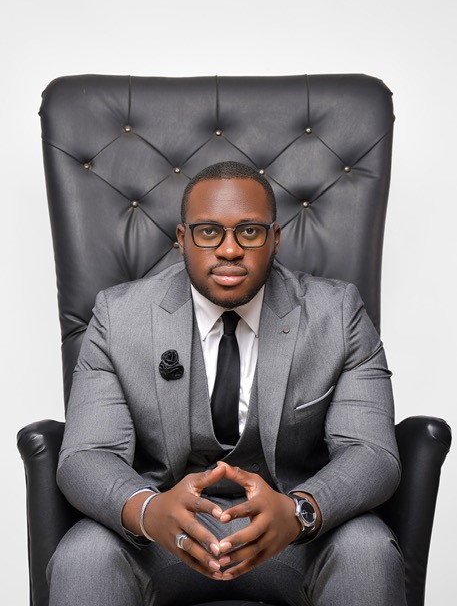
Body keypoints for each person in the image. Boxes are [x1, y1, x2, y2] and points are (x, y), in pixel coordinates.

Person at [48, 161, 406, 605]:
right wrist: (149, 510)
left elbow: (371, 451)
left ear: (275, 239)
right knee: (84, 556)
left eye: (250, 232)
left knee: (366, 550)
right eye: (208, 232)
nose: (230, 249)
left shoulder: (338, 313)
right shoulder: (118, 317)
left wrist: (300, 510)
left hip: (294, 535)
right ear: (182, 239)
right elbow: (87, 454)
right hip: (162, 539)